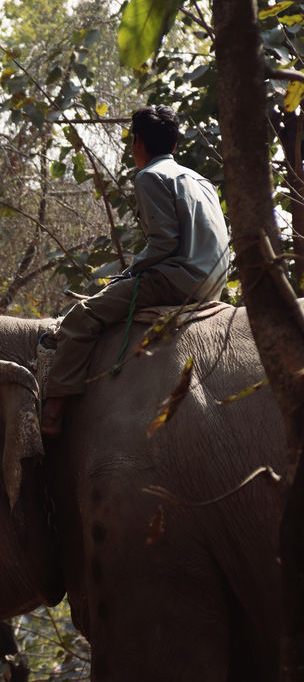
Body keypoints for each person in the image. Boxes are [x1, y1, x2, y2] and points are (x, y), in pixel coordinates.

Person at [41, 104, 230, 438]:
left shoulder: (150, 176)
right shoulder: (201, 180)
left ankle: (52, 412)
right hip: (215, 284)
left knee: (82, 317)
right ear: (174, 146)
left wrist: (129, 274)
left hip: (177, 279)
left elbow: (163, 244)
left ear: (137, 143)